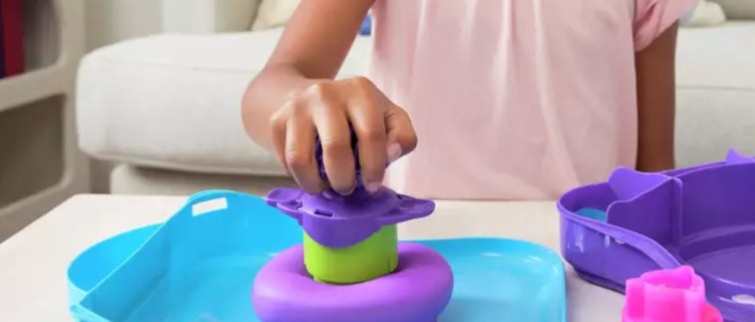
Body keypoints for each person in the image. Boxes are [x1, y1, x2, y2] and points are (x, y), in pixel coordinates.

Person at [242, 0, 696, 200]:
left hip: (585, 256)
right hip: (420, 247)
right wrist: (304, 101)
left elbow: (655, 172)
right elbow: (271, 86)